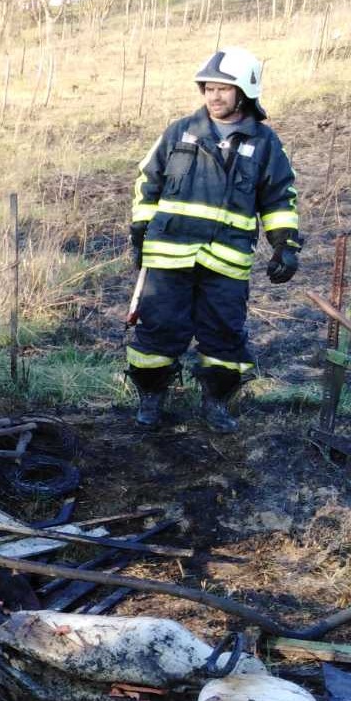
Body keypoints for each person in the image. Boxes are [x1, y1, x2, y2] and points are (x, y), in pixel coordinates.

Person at [126, 47, 300, 433]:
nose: (214, 96)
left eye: (224, 88)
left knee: (224, 337)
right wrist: (140, 230)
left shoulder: (265, 143)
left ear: (245, 93)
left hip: (227, 260)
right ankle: (152, 398)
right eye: (208, 87)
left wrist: (286, 244)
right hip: (169, 256)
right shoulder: (179, 131)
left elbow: (279, 198)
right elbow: (147, 181)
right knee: (157, 332)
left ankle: (217, 403)